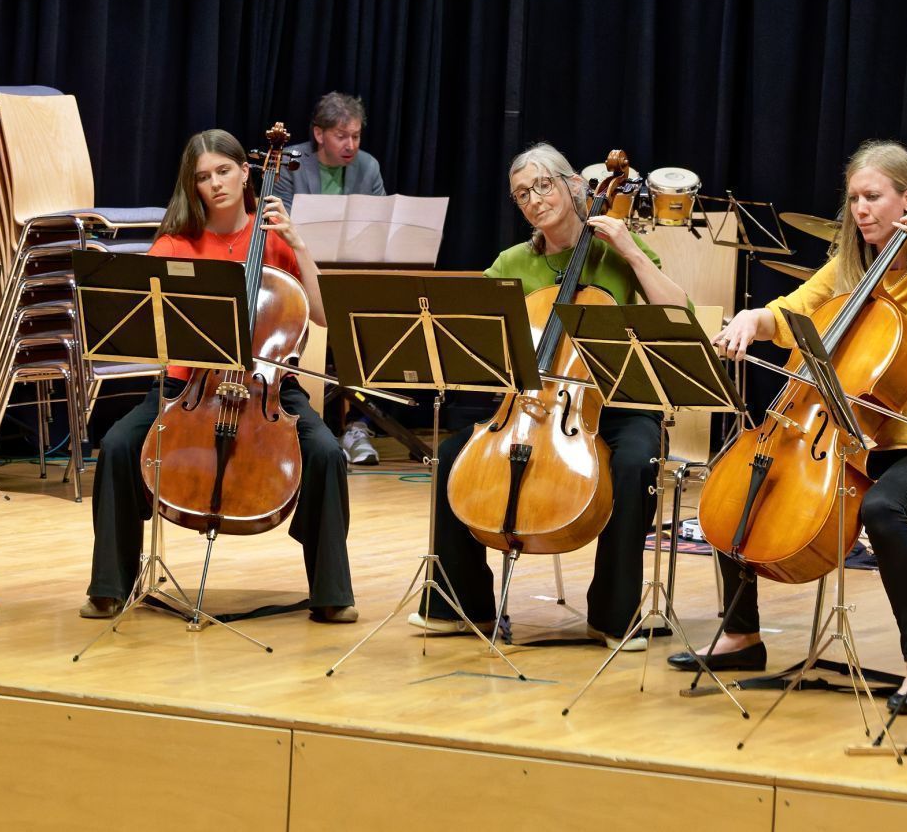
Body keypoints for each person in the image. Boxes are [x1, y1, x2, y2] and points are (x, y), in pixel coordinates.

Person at [674, 140, 907, 715]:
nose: (860, 209)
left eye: (873, 196)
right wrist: (751, 320)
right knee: (739, 476)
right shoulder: (849, 268)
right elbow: (789, 312)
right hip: (847, 442)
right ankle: (740, 634)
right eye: (854, 198)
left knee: (883, 509)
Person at [412, 143, 689, 650]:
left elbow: (678, 315)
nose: (535, 199)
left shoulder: (616, 249)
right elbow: (473, 331)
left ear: (574, 186)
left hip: (617, 401)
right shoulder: (514, 262)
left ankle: (613, 613)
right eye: (522, 194)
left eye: (543, 185)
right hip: (534, 404)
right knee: (452, 454)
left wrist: (629, 249)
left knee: (635, 461)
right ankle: (460, 605)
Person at [80, 130, 356, 623]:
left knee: (326, 452)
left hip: (270, 387)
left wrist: (298, 244)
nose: (215, 183)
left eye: (224, 171)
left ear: (246, 172)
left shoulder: (275, 241)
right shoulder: (174, 244)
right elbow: (149, 323)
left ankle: (332, 591)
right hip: (188, 386)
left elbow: (320, 314)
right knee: (119, 444)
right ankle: (110, 585)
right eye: (203, 177)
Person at [274, 90, 387, 464]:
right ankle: (311, 424)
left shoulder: (368, 167)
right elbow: (280, 224)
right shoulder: (291, 161)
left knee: (381, 319)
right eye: (342, 136)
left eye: (355, 135)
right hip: (301, 272)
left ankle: (358, 425)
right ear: (319, 134)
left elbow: (379, 226)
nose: (351, 145)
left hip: (353, 271)